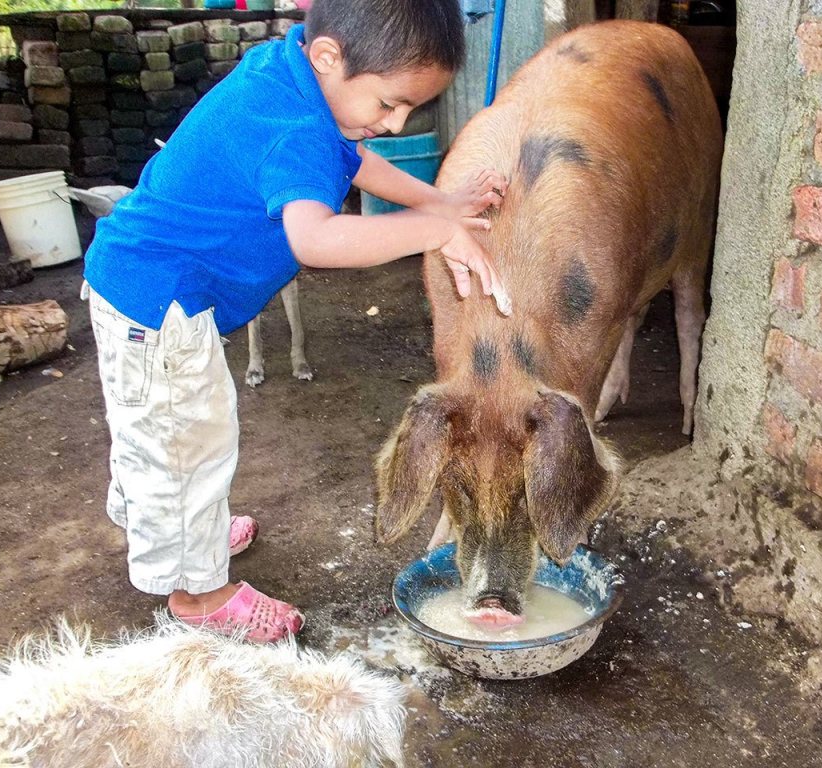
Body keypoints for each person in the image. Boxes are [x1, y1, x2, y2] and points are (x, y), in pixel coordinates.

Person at [82, 0, 510, 642]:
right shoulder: (296, 125)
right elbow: (317, 239)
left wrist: (438, 200)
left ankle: (173, 525)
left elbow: (353, 161)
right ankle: (198, 591)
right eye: (389, 104)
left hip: (146, 288)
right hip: (157, 303)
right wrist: (434, 229)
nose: (394, 126)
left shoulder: (293, 76)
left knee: (160, 429)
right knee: (185, 438)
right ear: (330, 56)